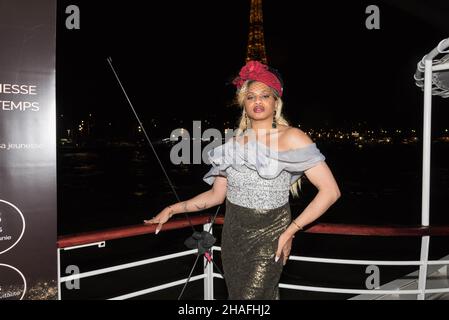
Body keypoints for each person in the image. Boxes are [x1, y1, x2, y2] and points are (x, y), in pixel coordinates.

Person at [144, 60, 341, 300]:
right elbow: (215, 196)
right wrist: (172, 208)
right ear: (243, 103)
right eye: (251, 97)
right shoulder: (231, 146)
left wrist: (290, 231)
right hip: (233, 237)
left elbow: (330, 191)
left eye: (264, 96)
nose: (257, 101)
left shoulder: (293, 137)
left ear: (275, 102)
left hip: (271, 236)